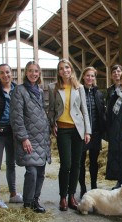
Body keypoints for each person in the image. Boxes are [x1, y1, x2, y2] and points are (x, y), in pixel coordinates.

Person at [48, 59, 91, 211]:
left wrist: (87, 131)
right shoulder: (53, 87)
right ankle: (63, 197)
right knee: (66, 164)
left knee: (76, 164)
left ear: (71, 69)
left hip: (77, 129)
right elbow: (52, 109)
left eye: (67, 67)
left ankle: (72, 196)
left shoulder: (79, 87)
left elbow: (84, 110)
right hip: (62, 130)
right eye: (61, 68)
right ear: (58, 72)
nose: (64, 70)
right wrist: (52, 124)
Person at [10, 61, 51, 213]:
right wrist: (23, 138)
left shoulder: (39, 91)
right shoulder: (19, 91)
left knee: (40, 172)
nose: (34, 74)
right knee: (32, 172)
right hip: (29, 138)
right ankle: (27, 203)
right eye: (31, 71)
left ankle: (35, 200)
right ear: (26, 73)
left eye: (36, 71)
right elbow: (16, 117)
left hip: (42, 138)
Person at [0, 63, 23, 209]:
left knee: (11, 164)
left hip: (13, 132)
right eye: (2, 73)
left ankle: (13, 194)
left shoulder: (17, 89)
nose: (5, 75)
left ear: (12, 73)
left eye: (7, 72)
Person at [79, 66, 106, 198]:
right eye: (88, 75)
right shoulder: (78, 91)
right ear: (83, 77)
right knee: (81, 161)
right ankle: (83, 187)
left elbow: (101, 113)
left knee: (94, 161)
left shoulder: (99, 93)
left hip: (95, 132)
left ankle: (94, 186)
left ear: (95, 78)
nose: (90, 78)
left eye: (92, 76)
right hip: (82, 133)